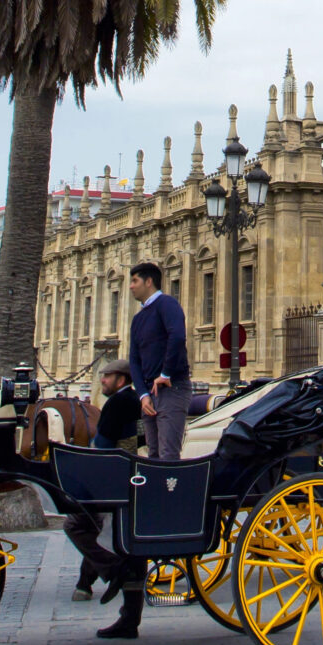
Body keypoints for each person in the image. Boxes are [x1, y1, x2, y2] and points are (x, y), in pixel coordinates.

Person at [66, 361, 147, 612]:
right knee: (96, 527)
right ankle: (85, 583)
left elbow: (103, 443)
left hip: (111, 475)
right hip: (128, 471)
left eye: (107, 376)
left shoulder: (117, 403)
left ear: (120, 380)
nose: (102, 380)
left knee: (75, 525)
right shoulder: (135, 400)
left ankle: (113, 569)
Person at [126, 261, 193, 461]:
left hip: (172, 388)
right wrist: (142, 394)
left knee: (168, 454)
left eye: (134, 281)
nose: (131, 286)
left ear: (149, 282)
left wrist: (166, 373)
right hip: (149, 394)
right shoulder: (138, 319)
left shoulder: (167, 304)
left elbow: (178, 337)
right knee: (153, 454)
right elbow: (134, 359)